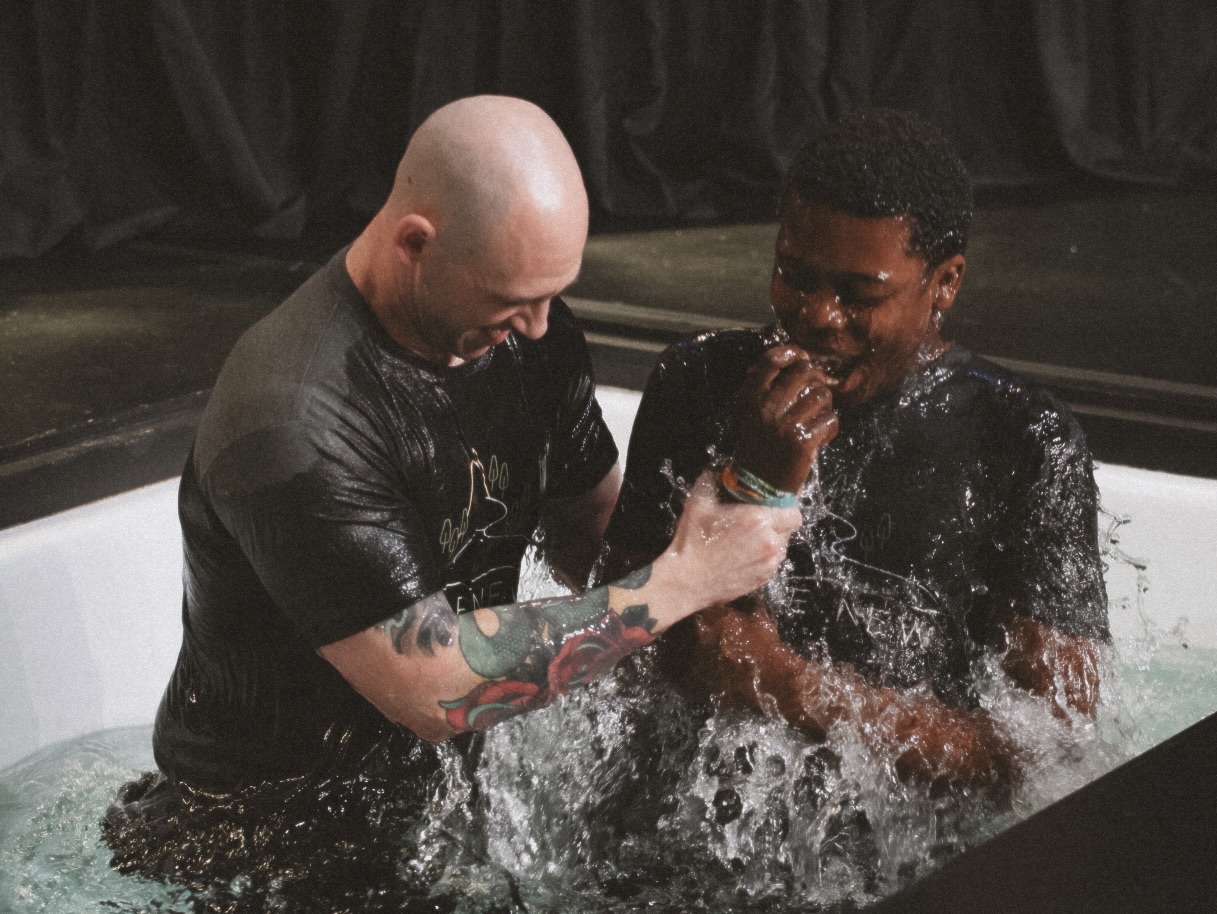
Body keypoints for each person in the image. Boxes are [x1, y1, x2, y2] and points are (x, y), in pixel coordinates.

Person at [102, 95, 800, 905]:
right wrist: (681, 580)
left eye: (551, 295)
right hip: (256, 846)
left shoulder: (530, 335)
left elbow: (591, 534)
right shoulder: (293, 419)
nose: (537, 327)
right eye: (511, 300)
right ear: (415, 243)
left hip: (415, 813)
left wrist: (743, 528)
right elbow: (437, 687)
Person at [602, 109, 1109, 799]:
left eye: (858, 294)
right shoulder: (697, 383)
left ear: (945, 283)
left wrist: (789, 685)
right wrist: (750, 484)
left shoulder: (1023, 442)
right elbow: (613, 651)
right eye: (795, 275)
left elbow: (1051, 752)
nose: (817, 314)